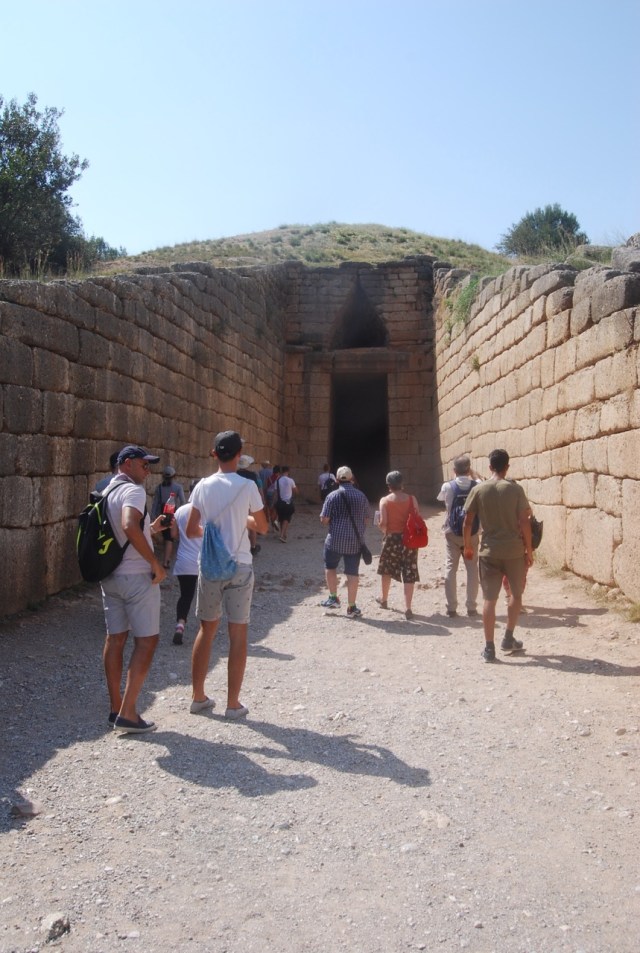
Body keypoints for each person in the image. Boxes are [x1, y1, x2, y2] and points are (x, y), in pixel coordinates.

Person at [186, 430, 268, 718]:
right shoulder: (247, 486)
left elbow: (191, 529)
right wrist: (243, 520)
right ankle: (233, 704)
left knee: (206, 630)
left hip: (210, 565)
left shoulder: (202, 486)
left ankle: (198, 697)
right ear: (239, 455)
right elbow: (263, 527)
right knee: (238, 633)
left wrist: (214, 536)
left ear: (214, 454)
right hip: (240, 565)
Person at [100, 445, 169, 734]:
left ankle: (116, 708)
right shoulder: (134, 491)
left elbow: (121, 530)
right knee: (147, 641)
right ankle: (128, 714)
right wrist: (155, 562)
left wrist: (150, 529)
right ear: (127, 464)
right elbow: (129, 525)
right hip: (136, 577)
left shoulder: (106, 491)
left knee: (115, 639)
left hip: (111, 576)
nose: (148, 470)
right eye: (144, 464)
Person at [463, 449, 533, 662]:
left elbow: (467, 522)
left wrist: (468, 546)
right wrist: (529, 550)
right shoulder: (515, 489)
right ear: (507, 467)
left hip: (489, 551)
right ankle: (508, 638)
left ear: (490, 467)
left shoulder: (479, 489)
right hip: (513, 551)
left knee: (489, 600)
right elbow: (524, 522)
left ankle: (489, 648)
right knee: (516, 595)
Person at [319, 466, 369, 619]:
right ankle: (351, 607)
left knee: (330, 567)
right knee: (352, 573)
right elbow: (366, 520)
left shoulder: (332, 496)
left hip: (335, 540)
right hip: (355, 541)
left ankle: (333, 598)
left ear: (337, 480)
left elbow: (324, 520)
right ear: (352, 478)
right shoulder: (361, 496)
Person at [437, 455, 481, 618]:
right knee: (472, 569)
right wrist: (473, 475)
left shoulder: (447, 486)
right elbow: (478, 481)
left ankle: (451, 607)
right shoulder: (477, 485)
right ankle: (471, 607)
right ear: (469, 469)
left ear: (454, 470)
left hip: (452, 533)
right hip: (472, 533)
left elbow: (442, 500)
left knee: (451, 568)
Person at [375, 471, 420, 620]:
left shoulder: (384, 501)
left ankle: (384, 599)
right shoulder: (412, 499)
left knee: (386, 569)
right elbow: (417, 517)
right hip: (409, 539)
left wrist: (382, 528)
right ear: (402, 483)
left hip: (391, 539)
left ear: (389, 485)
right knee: (409, 571)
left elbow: (383, 523)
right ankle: (408, 607)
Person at [169, 480, 202, 645]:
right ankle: (204, 630)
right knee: (206, 597)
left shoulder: (180, 511)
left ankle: (180, 625)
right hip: (203, 561)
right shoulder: (208, 512)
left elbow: (173, 534)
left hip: (184, 561)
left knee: (185, 596)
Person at [151, 466, 186, 569]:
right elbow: (183, 502)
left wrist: (153, 516)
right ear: (174, 476)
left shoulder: (159, 488)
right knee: (169, 539)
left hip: (162, 514)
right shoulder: (178, 487)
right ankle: (166, 562)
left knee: (165, 537)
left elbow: (155, 503)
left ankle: (162, 560)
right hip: (173, 514)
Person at [237, 454, 265, 556]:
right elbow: (258, 489)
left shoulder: (234, 474)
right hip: (249, 503)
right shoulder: (253, 476)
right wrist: (261, 501)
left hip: (237, 504)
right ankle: (253, 547)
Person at [273, 465, 298, 543]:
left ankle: (283, 534)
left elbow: (275, 493)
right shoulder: (291, 480)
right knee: (286, 519)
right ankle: (281, 535)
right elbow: (296, 491)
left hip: (280, 502)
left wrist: (274, 503)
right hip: (288, 503)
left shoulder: (277, 481)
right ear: (288, 471)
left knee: (281, 519)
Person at [265, 465, 281, 533]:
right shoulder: (279, 478)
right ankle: (275, 522)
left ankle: (273, 527)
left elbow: (266, 487)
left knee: (270, 510)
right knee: (276, 511)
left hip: (269, 494)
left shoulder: (269, 478)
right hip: (276, 495)